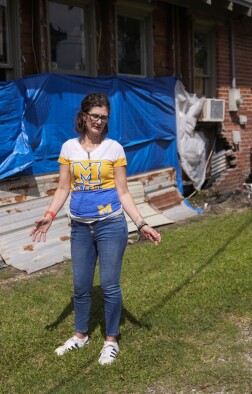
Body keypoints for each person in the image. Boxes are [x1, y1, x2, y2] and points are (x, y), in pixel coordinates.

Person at [29, 92, 161, 365]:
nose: (98, 121)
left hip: (111, 225)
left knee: (110, 286)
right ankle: (81, 336)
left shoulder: (114, 149)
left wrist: (141, 223)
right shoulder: (68, 148)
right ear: (84, 116)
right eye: (94, 116)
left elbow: (123, 192)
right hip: (79, 226)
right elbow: (63, 187)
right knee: (80, 286)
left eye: (104, 117)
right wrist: (49, 215)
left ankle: (111, 341)